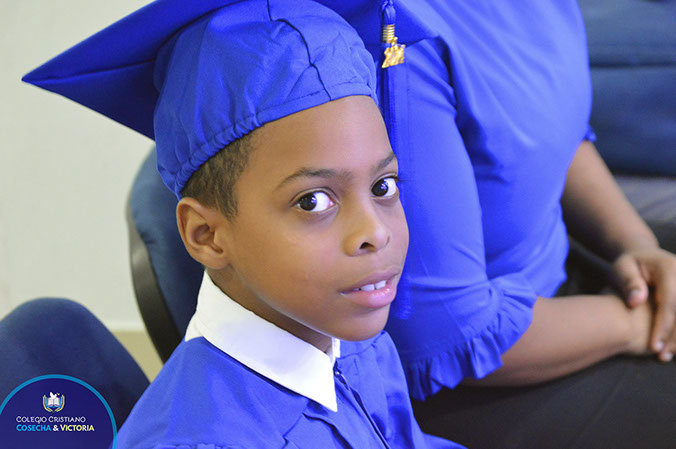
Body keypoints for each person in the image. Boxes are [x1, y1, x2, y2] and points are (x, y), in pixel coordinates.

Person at [23, 0, 464, 448]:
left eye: (383, 186)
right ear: (206, 235)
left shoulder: (352, 343)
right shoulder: (206, 439)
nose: (376, 232)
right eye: (312, 201)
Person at [314, 1, 676, 448]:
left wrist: (635, 243)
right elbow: (447, 330)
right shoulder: (396, 39)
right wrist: (641, 323)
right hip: (476, 377)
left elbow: (552, 135)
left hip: (561, 278)